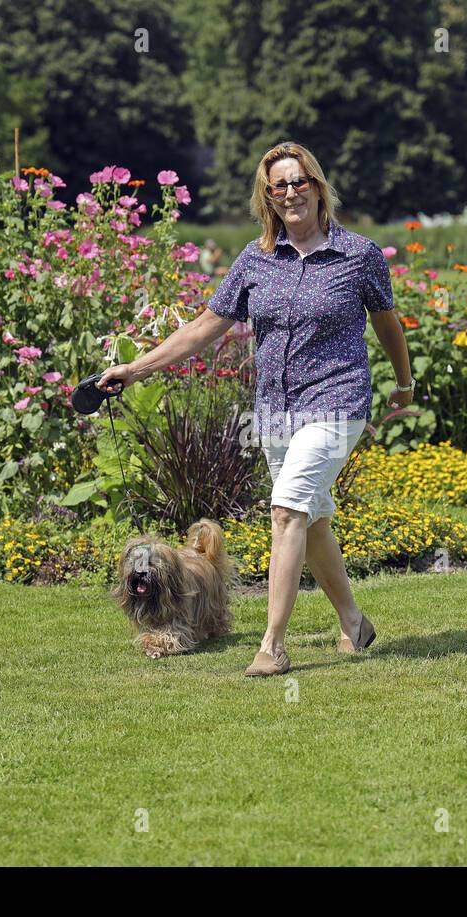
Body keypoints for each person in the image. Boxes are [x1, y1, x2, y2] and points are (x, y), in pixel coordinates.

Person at [98, 141, 415, 676]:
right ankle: (354, 622)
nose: (291, 192)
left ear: (317, 187)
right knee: (310, 520)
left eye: (299, 182)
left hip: (337, 401)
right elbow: (204, 327)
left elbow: (387, 322)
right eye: (279, 186)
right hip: (275, 408)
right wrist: (135, 368)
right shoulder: (255, 259)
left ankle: (272, 644)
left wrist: (403, 383)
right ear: (267, 198)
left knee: (287, 509)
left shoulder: (357, 254)